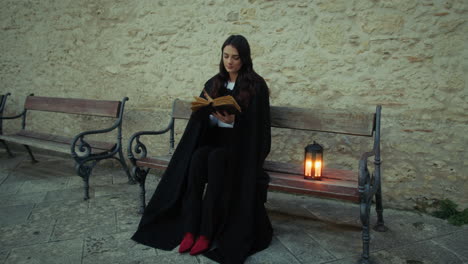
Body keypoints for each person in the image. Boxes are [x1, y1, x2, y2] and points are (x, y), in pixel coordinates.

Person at [131, 35, 273, 264]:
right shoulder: (214, 82)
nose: (230, 62)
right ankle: (190, 230)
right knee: (197, 158)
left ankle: (207, 233)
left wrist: (232, 121)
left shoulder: (256, 85)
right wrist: (208, 115)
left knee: (216, 159)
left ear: (244, 59)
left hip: (241, 150)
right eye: (226, 56)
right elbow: (200, 121)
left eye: (235, 58)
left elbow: (259, 129)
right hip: (215, 142)